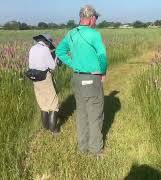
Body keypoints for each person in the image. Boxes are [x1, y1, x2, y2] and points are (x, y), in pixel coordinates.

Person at [56, 5, 108, 155]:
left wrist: (74, 64)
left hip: (77, 78)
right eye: (96, 18)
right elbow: (102, 57)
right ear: (91, 18)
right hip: (92, 78)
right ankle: (95, 150)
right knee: (95, 114)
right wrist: (103, 72)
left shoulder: (71, 34)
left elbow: (60, 51)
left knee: (82, 113)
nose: (96, 21)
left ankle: (82, 148)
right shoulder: (94, 35)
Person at [28, 34, 59, 133]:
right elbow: (52, 66)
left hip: (34, 78)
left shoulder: (32, 48)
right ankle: (53, 129)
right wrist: (56, 56)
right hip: (45, 77)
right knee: (53, 103)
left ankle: (45, 127)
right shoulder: (45, 49)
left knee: (43, 103)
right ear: (47, 42)